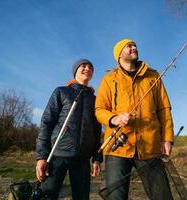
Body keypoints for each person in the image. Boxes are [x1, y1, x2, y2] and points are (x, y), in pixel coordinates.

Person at [95, 39, 174, 200]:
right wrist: (114, 118)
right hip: (117, 149)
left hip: (150, 147)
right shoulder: (108, 79)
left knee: (162, 196)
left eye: (134, 45)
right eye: (128, 46)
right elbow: (99, 110)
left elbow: (164, 109)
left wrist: (167, 138)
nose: (134, 47)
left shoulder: (153, 75)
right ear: (118, 55)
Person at [36, 59, 102, 200]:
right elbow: (47, 122)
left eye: (91, 67)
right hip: (57, 155)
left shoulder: (96, 100)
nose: (87, 69)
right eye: (83, 66)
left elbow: (97, 131)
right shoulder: (61, 92)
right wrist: (41, 157)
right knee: (47, 195)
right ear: (75, 71)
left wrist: (97, 158)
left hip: (83, 159)